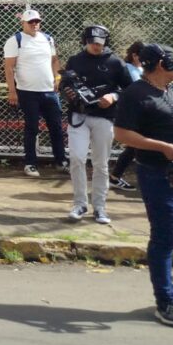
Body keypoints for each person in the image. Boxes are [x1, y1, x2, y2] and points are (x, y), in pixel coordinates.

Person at [113, 44, 173, 329]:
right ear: (160, 64)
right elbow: (121, 134)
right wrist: (161, 147)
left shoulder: (172, 92)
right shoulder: (135, 94)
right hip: (159, 176)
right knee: (165, 239)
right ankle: (166, 301)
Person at [62, 25, 134, 225]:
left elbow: (129, 89)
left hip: (104, 117)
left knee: (101, 163)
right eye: (93, 42)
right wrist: (68, 93)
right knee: (76, 158)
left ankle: (100, 207)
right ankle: (80, 204)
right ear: (85, 41)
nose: (96, 46)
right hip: (79, 116)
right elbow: (65, 84)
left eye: (100, 43)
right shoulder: (75, 61)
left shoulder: (115, 62)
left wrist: (113, 96)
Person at [4, 9, 66, 177]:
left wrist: (57, 78)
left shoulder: (47, 39)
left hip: (49, 91)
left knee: (56, 127)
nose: (34, 24)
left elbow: (54, 60)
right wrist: (12, 91)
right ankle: (30, 163)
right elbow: (9, 68)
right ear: (23, 23)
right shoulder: (15, 40)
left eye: (37, 21)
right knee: (31, 128)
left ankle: (61, 161)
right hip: (27, 92)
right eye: (31, 22)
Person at [111, 41, 147, 192]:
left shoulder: (141, 68)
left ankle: (115, 176)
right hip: (135, 112)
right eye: (143, 56)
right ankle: (115, 176)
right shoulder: (130, 69)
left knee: (135, 146)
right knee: (135, 145)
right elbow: (137, 88)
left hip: (142, 111)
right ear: (134, 55)